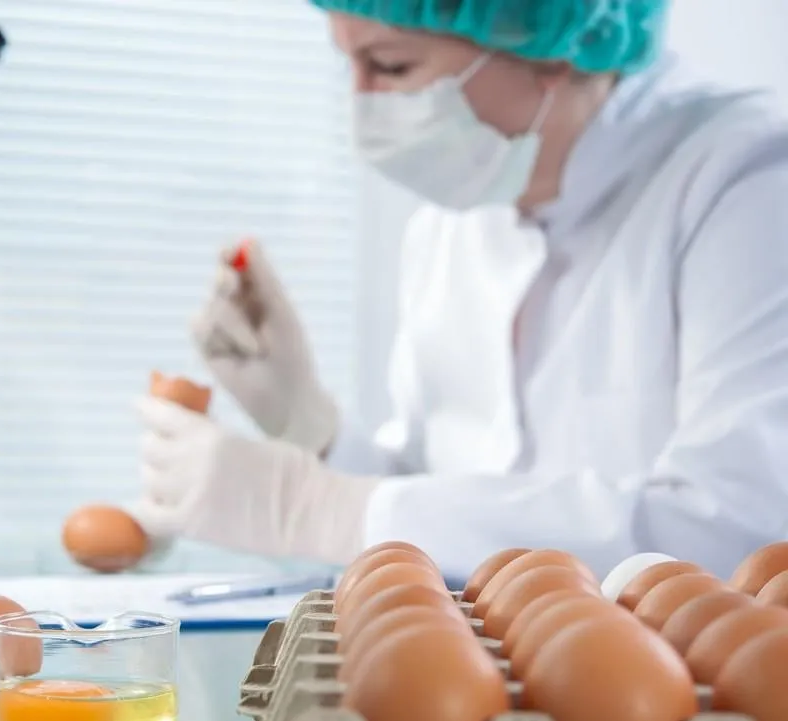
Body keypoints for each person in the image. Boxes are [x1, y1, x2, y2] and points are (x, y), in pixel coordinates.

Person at [130, 0, 788, 581]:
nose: (361, 102)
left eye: (390, 67)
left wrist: (315, 509)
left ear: (545, 46)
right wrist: (310, 428)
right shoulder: (456, 215)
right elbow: (441, 503)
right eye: (348, 66)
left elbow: (738, 529)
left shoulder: (748, 181)